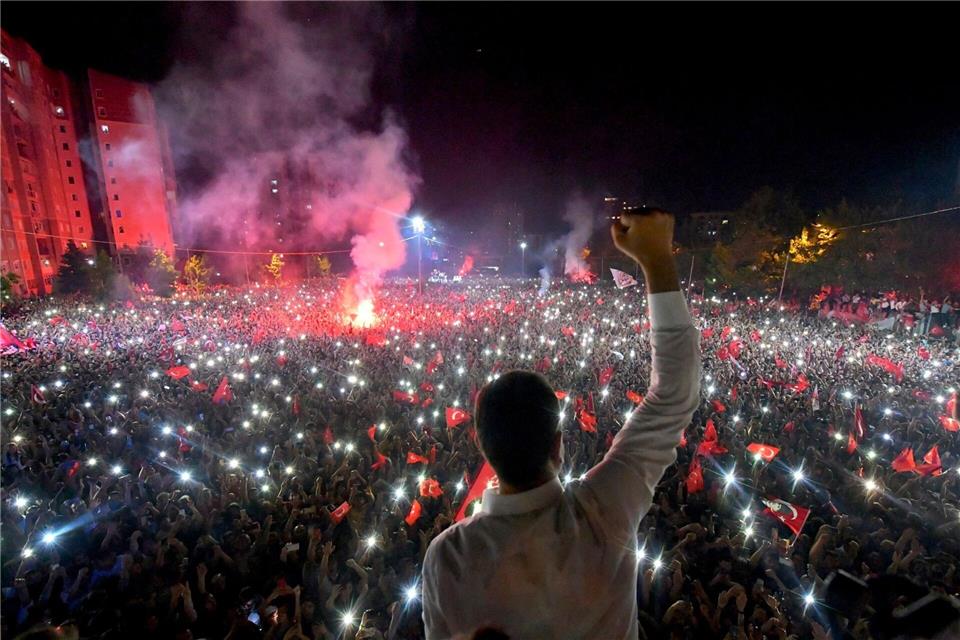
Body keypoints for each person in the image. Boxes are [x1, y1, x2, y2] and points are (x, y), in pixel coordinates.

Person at [420, 209, 701, 639]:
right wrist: (657, 259)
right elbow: (674, 395)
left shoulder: (449, 557)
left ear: (482, 446)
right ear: (558, 444)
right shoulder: (603, 511)